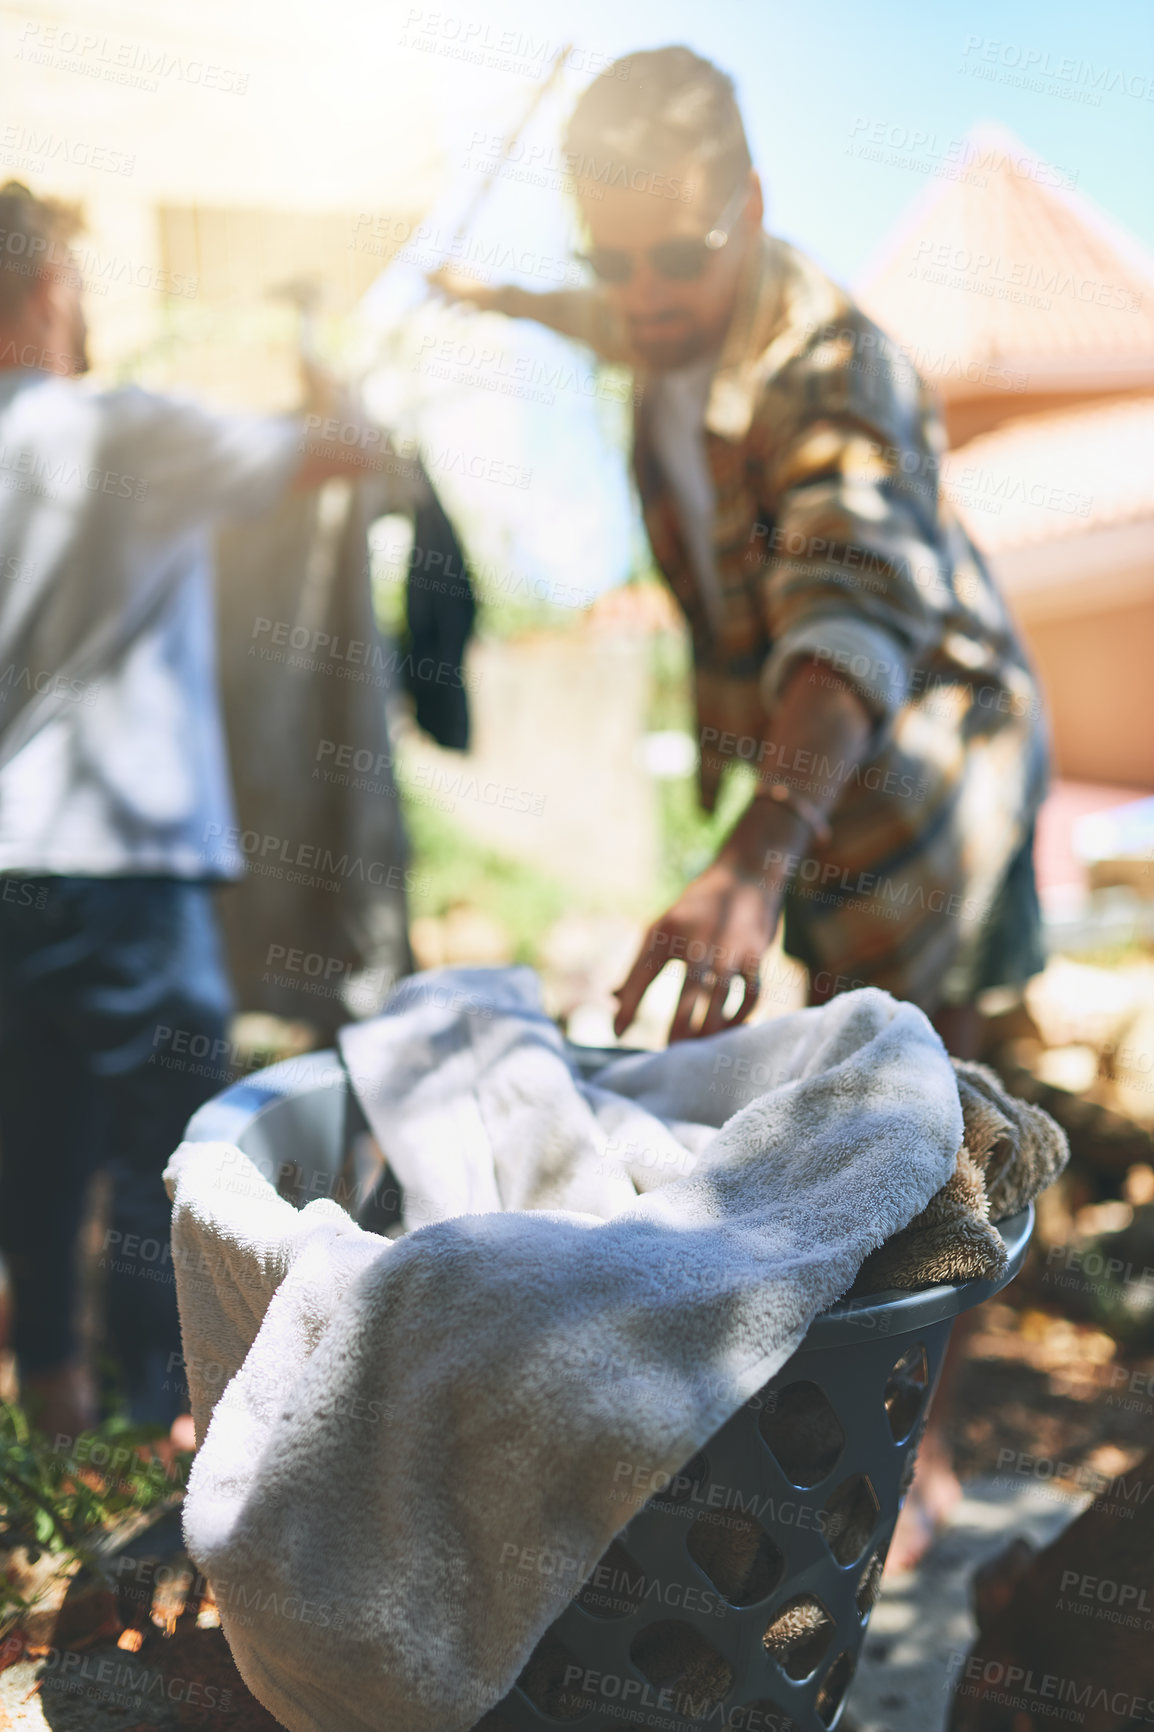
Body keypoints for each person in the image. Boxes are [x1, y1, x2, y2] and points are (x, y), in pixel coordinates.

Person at [432, 45, 1048, 1061]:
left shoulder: (832, 371)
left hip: (932, 772)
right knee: (850, 1074)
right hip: (810, 788)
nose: (641, 298)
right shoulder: (656, 314)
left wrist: (755, 852)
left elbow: (849, 616)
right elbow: (593, 313)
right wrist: (492, 296)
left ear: (751, 206)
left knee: (927, 1092)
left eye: (672, 258)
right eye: (609, 261)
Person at [0, 183, 384, 1440]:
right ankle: (172, 1427)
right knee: (167, 1153)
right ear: (51, 285)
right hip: (130, 861)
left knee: (33, 1139)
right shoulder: (130, 435)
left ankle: (57, 1407)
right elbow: (341, 449)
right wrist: (320, 347)